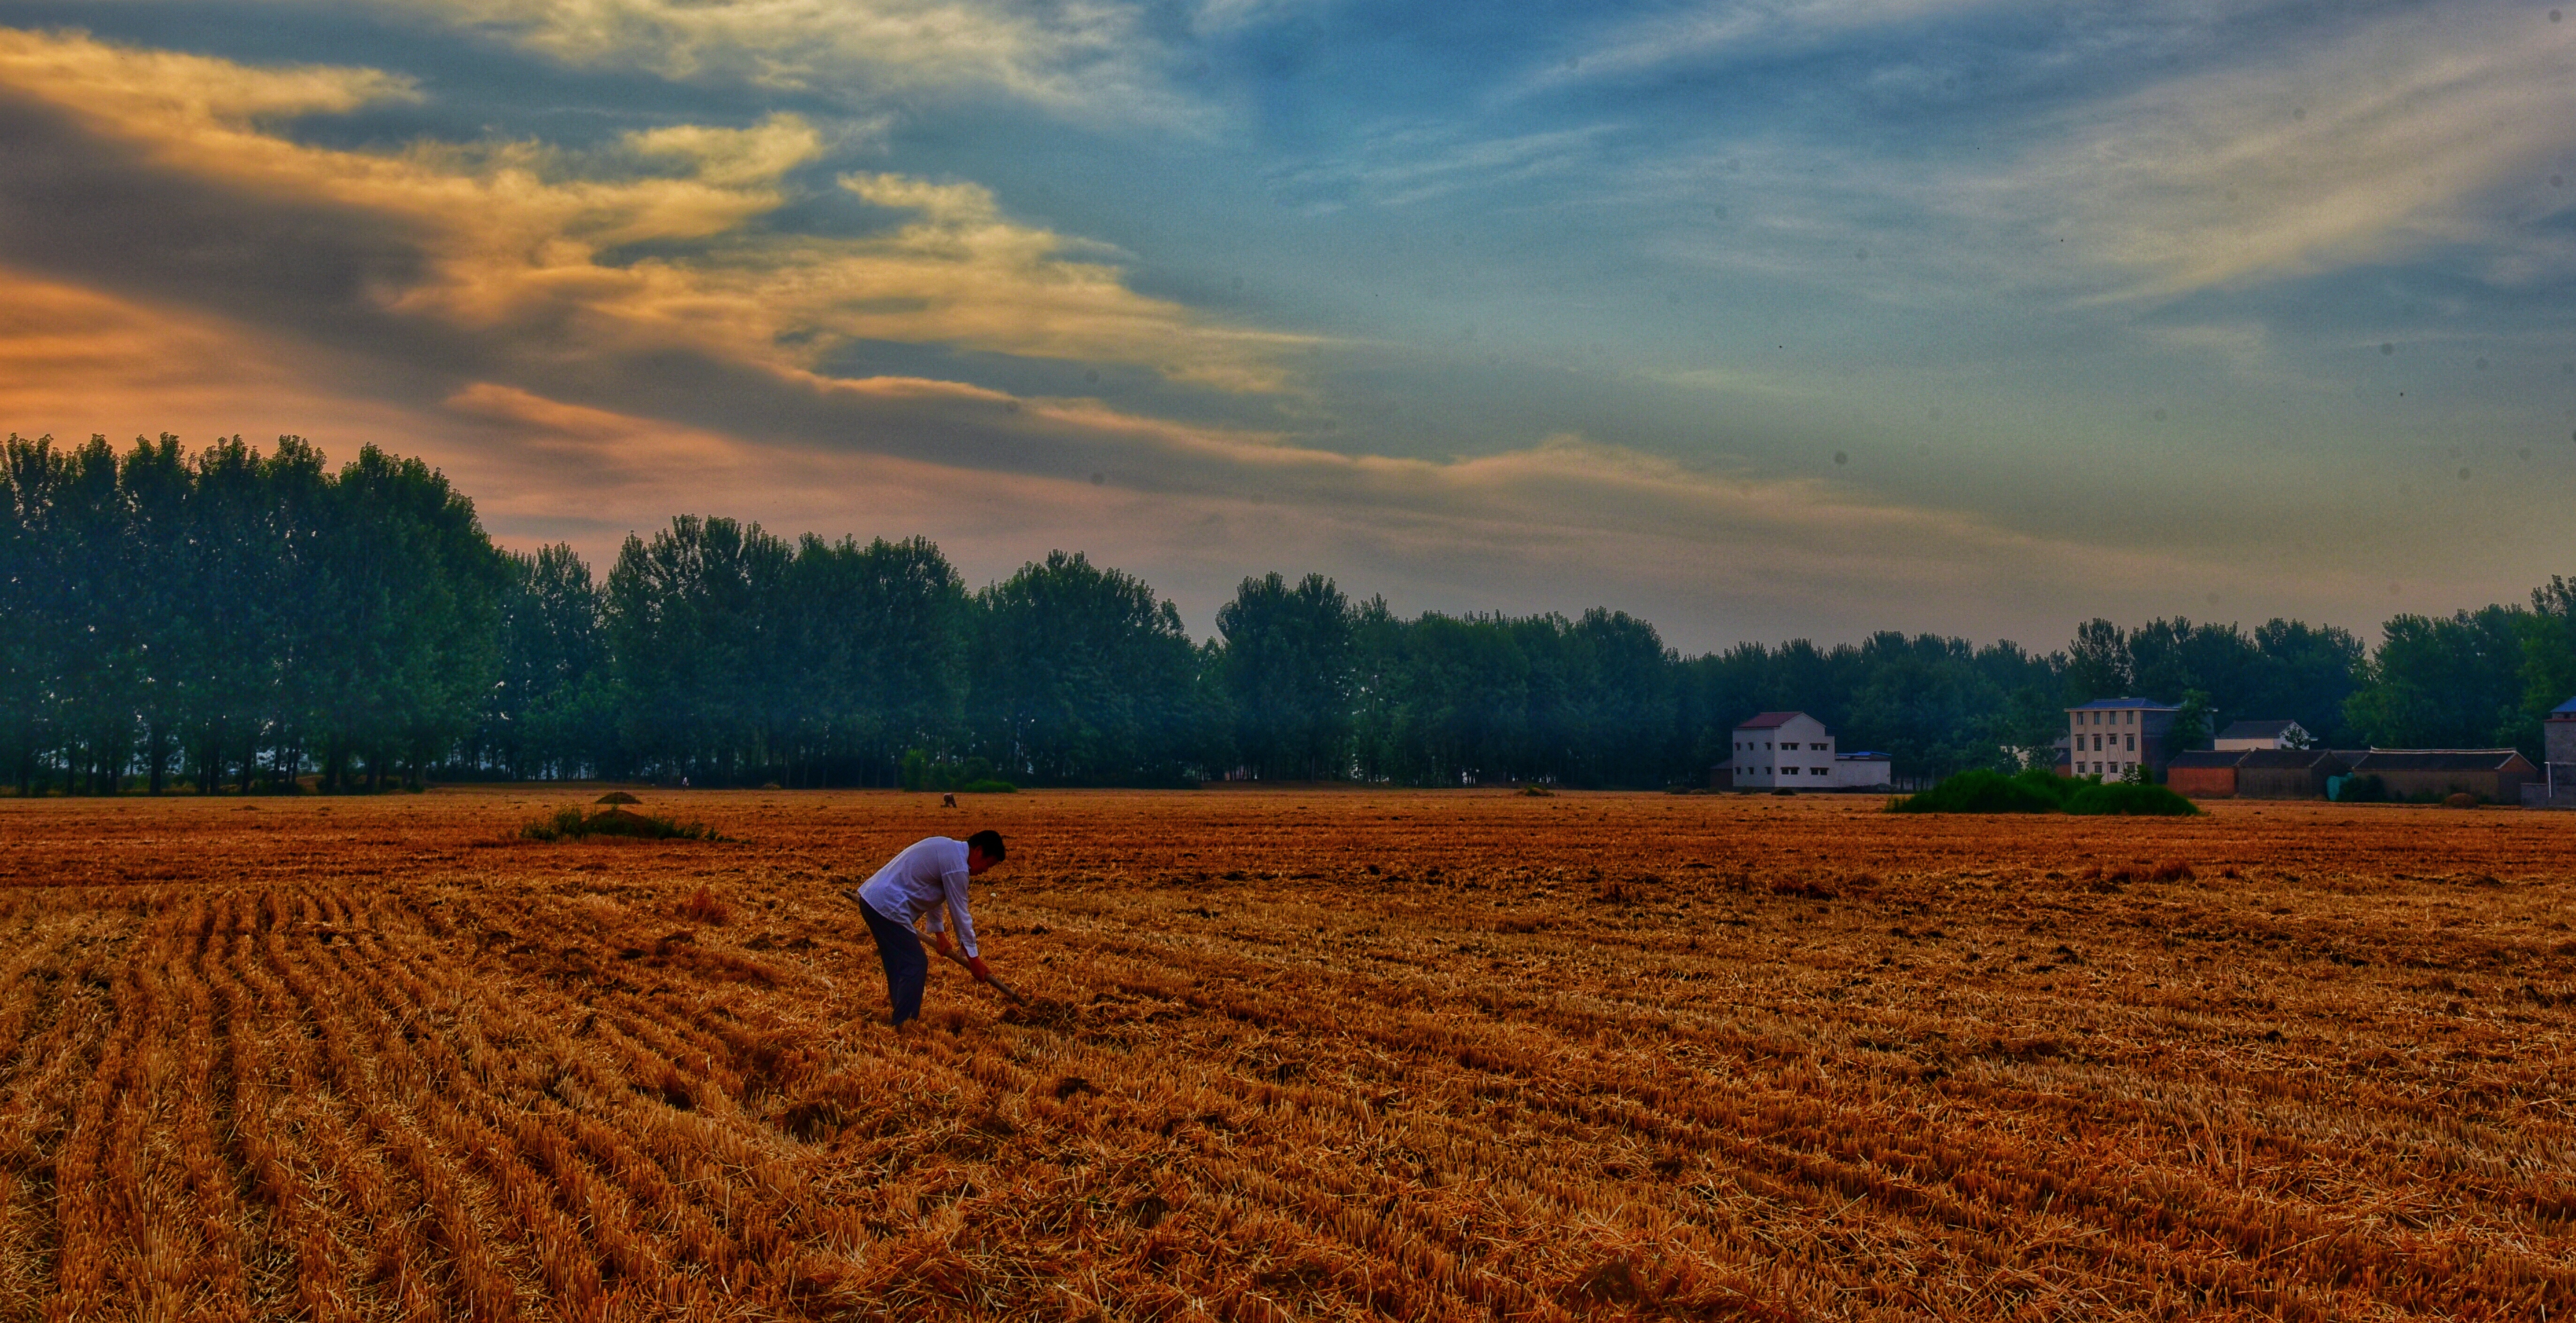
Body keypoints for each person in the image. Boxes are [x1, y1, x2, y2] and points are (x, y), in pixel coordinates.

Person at [850, 829, 1006, 1026]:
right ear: (978, 851)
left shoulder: (947, 849)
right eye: (988, 864)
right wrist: (973, 958)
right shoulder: (957, 867)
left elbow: (934, 895)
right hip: (887, 907)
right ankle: (904, 1024)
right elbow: (960, 914)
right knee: (915, 964)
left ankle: (901, 1016)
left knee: (899, 965)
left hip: (872, 901)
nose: (986, 871)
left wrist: (940, 934)